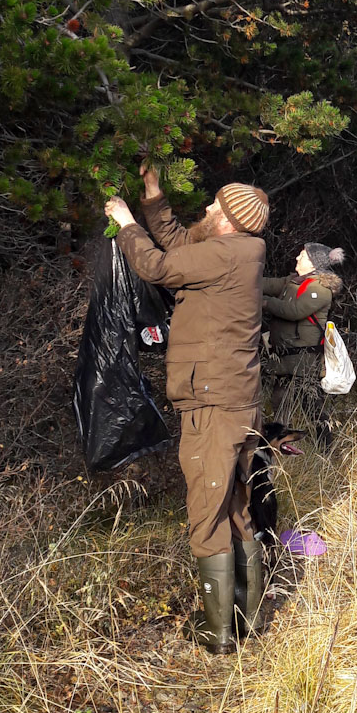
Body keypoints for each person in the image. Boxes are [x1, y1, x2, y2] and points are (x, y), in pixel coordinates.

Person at [104, 167, 269, 654]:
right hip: (237, 400)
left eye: (218, 208)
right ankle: (251, 619)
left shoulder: (226, 254)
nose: (210, 210)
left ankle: (219, 635)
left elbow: (157, 266)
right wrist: (154, 198)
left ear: (232, 222)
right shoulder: (240, 252)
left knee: (206, 510)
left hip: (213, 404)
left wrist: (127, 220)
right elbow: (181, 246)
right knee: (236, 505)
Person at [263, 243, 345, 421]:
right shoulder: (292, 281)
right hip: (284, 358)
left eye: (303, 256)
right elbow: (265, 284)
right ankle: (280, 444)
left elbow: (293, 311)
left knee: (313, 408)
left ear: (314, 264)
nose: (297, 258)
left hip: (304, 361)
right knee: (279, 403)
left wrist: (263, 302)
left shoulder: (321, 289)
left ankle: (325, 447)